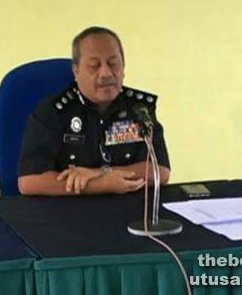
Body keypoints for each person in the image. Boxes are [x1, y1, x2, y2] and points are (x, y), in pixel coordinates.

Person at [18, 27, 171, 196]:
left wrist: (102, 172)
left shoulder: (138, 108)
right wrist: (100, 185)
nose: (106, 73)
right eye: (94, 66)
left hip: (129, 212)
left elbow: (160, 171)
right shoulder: (53, 112)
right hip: (67, 214)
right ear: (76, 71)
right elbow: (30, 181)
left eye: (113, 64)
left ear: (123, 66)